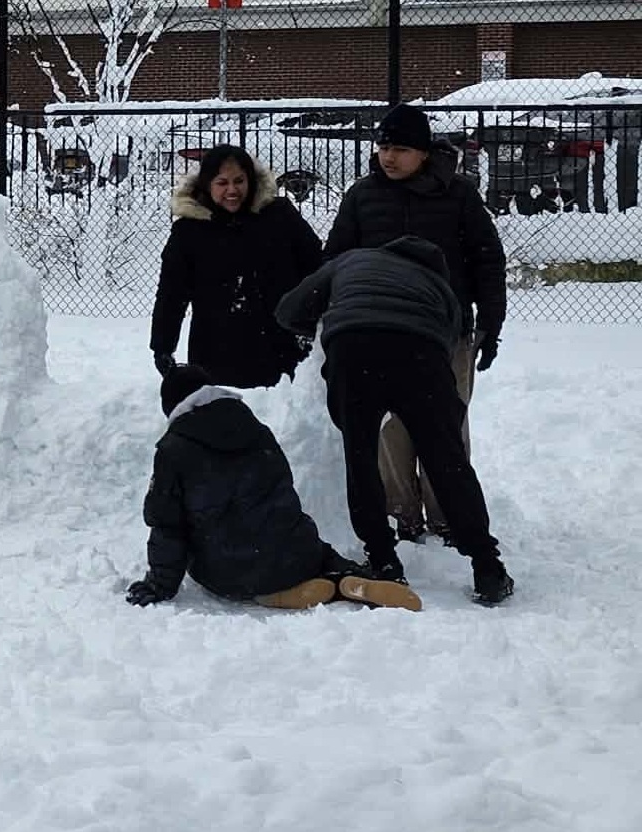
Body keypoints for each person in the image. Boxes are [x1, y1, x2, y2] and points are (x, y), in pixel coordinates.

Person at [276, 236, 515, 605]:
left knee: (362, 455)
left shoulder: (351, 260)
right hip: (420, 353)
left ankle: (383, 560)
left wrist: (325, 323)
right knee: (447, 460)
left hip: (352, 347)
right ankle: (487, 566)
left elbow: (288, 310)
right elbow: (449, 341)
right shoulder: (441, 286)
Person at [324, 104, 506, 544]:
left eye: (400, 149)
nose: (389, 157)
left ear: (424, 152)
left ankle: (448, 513)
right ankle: (401, 512)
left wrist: (490, 323)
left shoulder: (458, 195)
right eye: (384, 147)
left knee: (446, 421)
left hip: (446, 331)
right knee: (389, 424)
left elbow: (487, 259)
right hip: (381, 329)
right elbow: (336, 258)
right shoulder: (362, 196)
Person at [126, 363, 423, 612]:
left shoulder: (173, 449)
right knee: (306, 544)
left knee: (237, 562)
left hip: (227, 571)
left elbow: (166, 523)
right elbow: (283, 492)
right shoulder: (256, 429)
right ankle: (349, 576)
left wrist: (159, 585)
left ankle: (274, 595)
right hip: (294, 552)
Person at [151, 144, 324, 388]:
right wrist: (162, 346)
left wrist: (311, 323)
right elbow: (171, 294)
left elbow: (317, 268)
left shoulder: (280, 216)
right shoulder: (188, 232)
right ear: (207, 184)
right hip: (218, 353)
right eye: (222, 183)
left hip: (284, 351)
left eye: (239, 181)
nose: (232, 190)